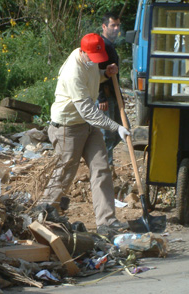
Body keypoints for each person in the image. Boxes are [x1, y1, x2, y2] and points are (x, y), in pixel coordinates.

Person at [38, 33, 130, 233]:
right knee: (64, 174)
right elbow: (89, 112)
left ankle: (106, 222)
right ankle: (42, 216)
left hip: (87, 126)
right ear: (83, 52)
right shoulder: (73, 71)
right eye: (92, 58)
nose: (94, 62)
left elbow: (94, 77)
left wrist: (105, 73)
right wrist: (116, 127)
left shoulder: (90, 60)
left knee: (101, 168)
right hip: (67, 127)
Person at [97, 12, 124, 168]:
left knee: (120, 130)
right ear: (104, 26)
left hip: (113, 96)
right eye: (113, 25)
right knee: (107, 134)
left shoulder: (110, 45)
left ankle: (101, 159)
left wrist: (119, 97)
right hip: (105, 97)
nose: (116, 29)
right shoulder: (102, 45)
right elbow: (97, 72)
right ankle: (106, 167)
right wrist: (101, 98)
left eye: (118, 25)